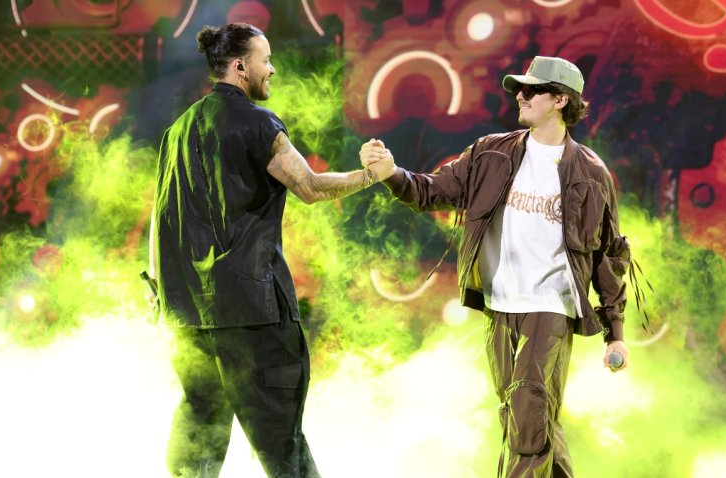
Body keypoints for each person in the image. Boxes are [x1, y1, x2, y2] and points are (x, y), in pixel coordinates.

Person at [363, 56, 631, 477]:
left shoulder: (591, 172)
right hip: (501, 304)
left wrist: (614, 333)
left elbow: (609, 253)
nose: (520, 96)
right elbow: (435, 190)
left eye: (532, 90)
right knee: (525, 416)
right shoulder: (491, 152)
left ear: (561, 99)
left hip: (551, 306)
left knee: (528, 411)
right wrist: (391, 173)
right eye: (519, 89)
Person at [148, 23, 394, 478]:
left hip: (187, 314)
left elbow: (159, 218)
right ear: (241, 66)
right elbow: (311, 187)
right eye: (266, 59)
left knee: (199, 432)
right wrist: (373, 176)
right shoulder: (259, 123)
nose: (273, 68)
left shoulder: (176, 132)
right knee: (282, 442)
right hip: (252, 314)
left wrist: (159, 289)